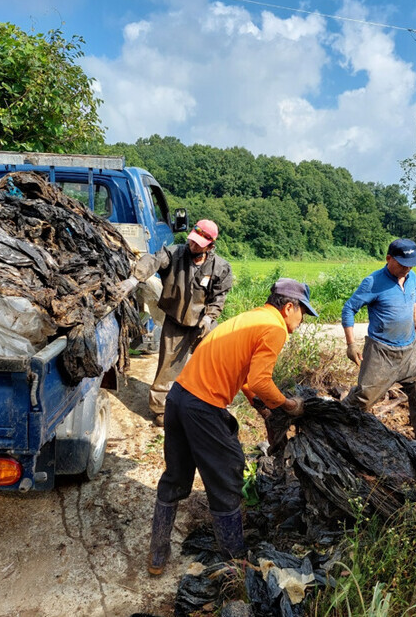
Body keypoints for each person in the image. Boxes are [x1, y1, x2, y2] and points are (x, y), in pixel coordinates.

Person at [147, 278, 318, 575]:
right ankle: (234, 559)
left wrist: (259, 404)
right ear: (289, 307)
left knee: (176, 476)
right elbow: (264, 381)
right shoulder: (275, 328)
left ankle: (157, 553)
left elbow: (248, 377)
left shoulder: (251, 318)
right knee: (227, 476)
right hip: (203, 408)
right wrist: (290, 406)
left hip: (178, 399)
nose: (301, 320)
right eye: (302, 312)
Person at [341, 238, 416, 450]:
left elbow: (414, 298)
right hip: (382, 353)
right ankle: (332, 426)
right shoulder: (373, 282)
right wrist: (351, 345)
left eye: (411, 264)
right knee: (362, 400)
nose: (407, 269)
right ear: (388, 259)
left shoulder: (411, 276)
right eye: (402, 264)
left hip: (411, 352)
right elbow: (349, 309)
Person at [133, 219, 233, 426]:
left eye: (199, 243)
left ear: (211, 246)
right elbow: (153, 260)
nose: (193, 245)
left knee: (210, 364)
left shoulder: (220, 267)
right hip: (176, 320)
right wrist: (136, 277)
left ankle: (208, 404)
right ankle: (160, 409)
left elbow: (219, 296)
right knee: (168, 366)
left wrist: (208, 318)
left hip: (202, 323)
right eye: (192, 240)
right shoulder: (174, 254)